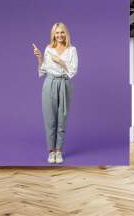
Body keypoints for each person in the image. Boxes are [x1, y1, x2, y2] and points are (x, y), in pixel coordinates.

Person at [32, 22, 78, 164]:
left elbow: (73, 70)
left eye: (62, 32)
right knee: (50, 119)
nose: (59, 35)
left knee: (62, 119)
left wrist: (61, 61)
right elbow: (43, 70)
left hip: (64, 84)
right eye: (57, 33)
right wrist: (39, 58)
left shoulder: (72, 50)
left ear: (66, 34)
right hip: (49, 83)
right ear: (53, 34)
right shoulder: (48, 49)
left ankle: (59, 151)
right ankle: (51, 151)